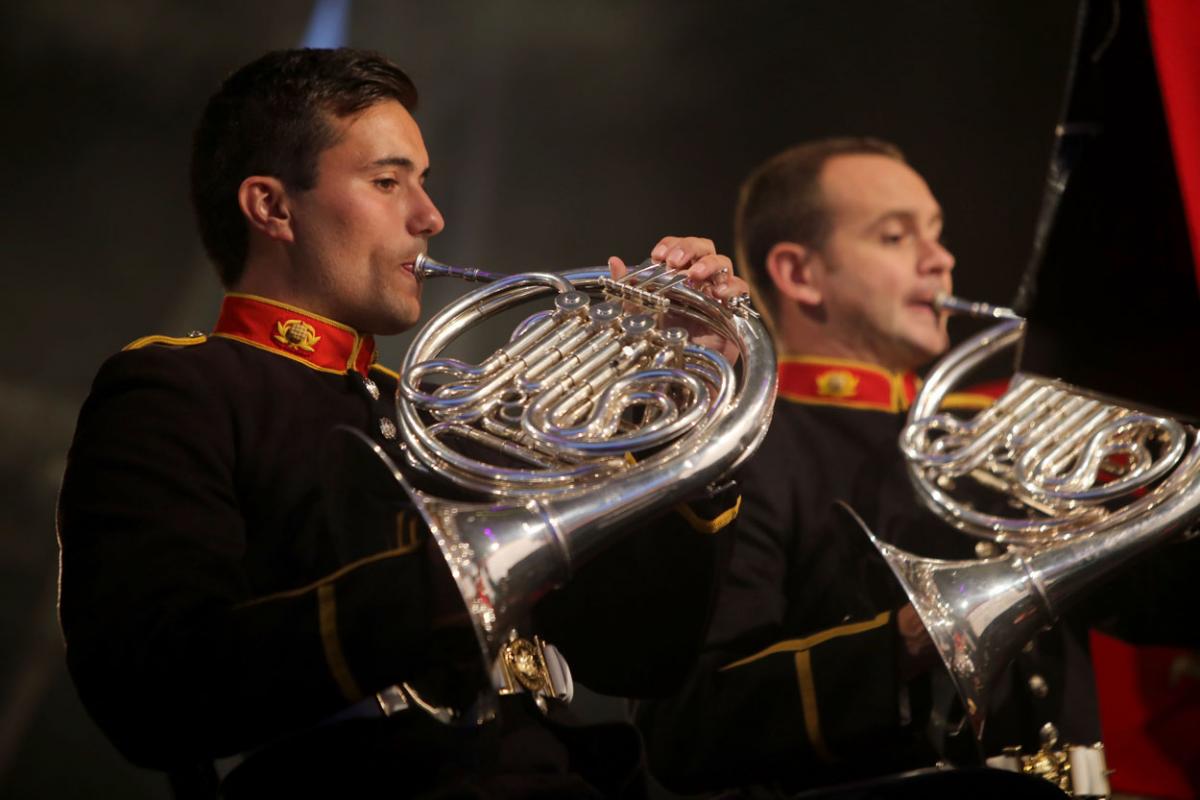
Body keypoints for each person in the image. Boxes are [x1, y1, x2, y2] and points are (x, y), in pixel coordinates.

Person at [56, 47, 749, 799]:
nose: (430, 216)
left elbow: (639, 659)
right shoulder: (177, 388)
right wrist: (443, 583)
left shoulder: (442, 412)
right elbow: (150, 686)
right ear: (273, 207)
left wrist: (673, 423)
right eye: (388, 182)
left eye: (422, 182)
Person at [635, 137, 1128, 796]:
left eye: (937, 234)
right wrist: (911, 639)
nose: (942, 260)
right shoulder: (746, 447)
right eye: (896, 238)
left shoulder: (985, 442)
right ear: (799, 273)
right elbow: (688, 725)